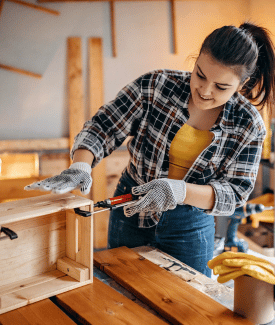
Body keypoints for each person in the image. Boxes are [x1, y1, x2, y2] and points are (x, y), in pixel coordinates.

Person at [25, 22, 275, 278]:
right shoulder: (156, 85)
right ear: (196, 60)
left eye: (221, 87)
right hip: (131, 207)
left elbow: (235, 193)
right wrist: (81, 164)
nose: (205, 90)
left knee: (188, 302)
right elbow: (104, 126)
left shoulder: (249, 124)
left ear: (242, 84)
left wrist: (179, 190)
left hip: (190, 223)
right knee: (122, 291)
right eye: (200, 74)